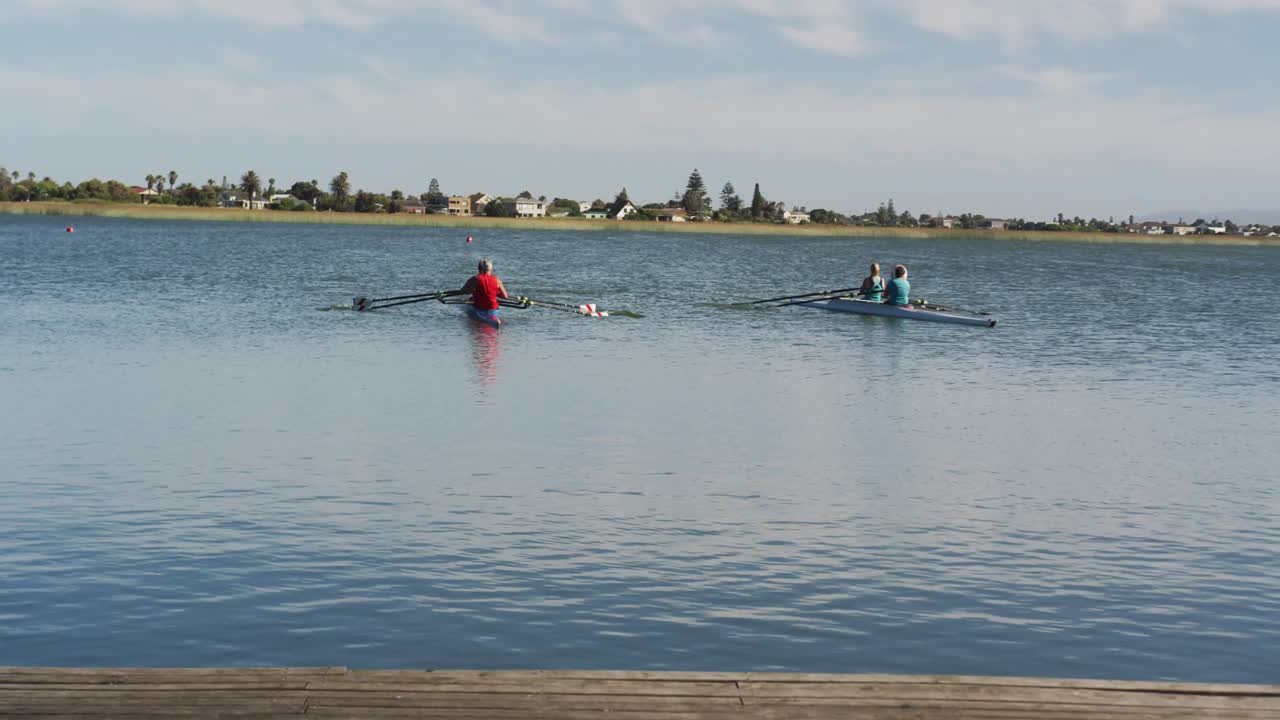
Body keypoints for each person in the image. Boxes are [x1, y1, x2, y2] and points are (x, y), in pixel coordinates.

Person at [460, 258, 509, 326]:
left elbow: (464, 291)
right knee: (492, 311)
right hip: (493, 307)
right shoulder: (497, 280)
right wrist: (494, 292)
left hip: (480, 307)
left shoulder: (475, 278)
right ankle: (495, 320)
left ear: (479, 269)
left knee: (468, 305)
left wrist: (472, 290)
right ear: (491, 269)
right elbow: (505, 296)